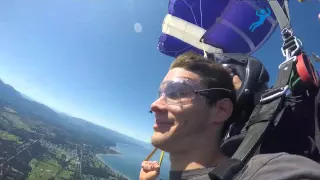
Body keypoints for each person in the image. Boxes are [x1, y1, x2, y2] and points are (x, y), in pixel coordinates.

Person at [139, 51, 320, 180]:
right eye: (161, 93)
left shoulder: (263, 172)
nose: (154, 105)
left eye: (178, 92)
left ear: (221, 110)